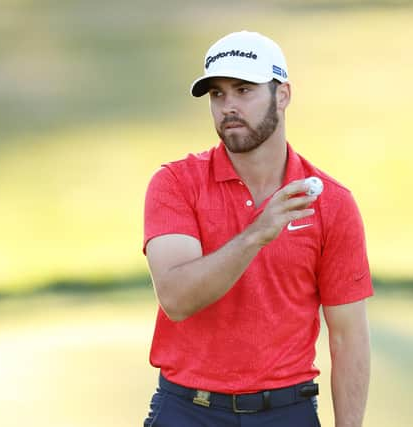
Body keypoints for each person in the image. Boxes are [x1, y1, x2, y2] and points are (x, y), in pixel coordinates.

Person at [142, 30, 373, 427]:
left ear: (282, 95)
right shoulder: (175, 183)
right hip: (186, 411)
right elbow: (177, 298)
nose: (228, 106)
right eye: (217, 95)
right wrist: (257, 233)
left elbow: (348, 337)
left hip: (288, 412)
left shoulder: (332, 202)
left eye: (243, 90)